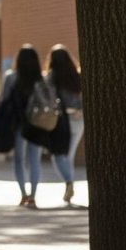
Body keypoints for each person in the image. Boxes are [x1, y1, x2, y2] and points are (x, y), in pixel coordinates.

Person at [0, 45, 49, 208]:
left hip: (18, 123)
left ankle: (23, 194)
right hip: (37, 122)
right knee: (34, 160)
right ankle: (33, 195)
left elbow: (4, 101)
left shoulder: (11, 77)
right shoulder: (41, 79)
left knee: (19, 159)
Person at [49, 45, 85, 204]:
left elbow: (48, 97)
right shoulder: (77, 75)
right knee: (68, 155)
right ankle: (68, 186)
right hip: (79, 119)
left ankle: (69, 183)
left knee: (57, 155)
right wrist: (80, 110)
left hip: (62, 119)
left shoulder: (52, 76)